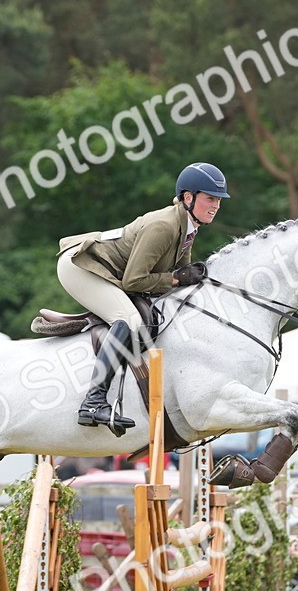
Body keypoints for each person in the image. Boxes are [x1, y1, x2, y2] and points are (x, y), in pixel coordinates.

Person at [55, 162, 229, 435]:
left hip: (108, 271)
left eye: (218, 200)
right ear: (188, 197)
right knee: (128, 319)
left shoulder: (187, 228)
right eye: (210, 198)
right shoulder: (163, 226)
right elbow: (134, 281)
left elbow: (175, 279)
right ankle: (93, 402)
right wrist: (175, 279)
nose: (216, 205)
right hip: (81, 267)